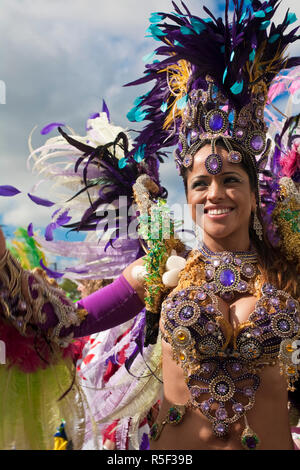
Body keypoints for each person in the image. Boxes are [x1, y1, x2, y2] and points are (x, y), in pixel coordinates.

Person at [0, 0, 300, 451]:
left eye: (231, 180)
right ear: (188, 195)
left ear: (255, 195)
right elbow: (62, 323)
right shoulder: (159, 270)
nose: (215, 192)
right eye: (201, 182)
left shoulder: (288, 273)